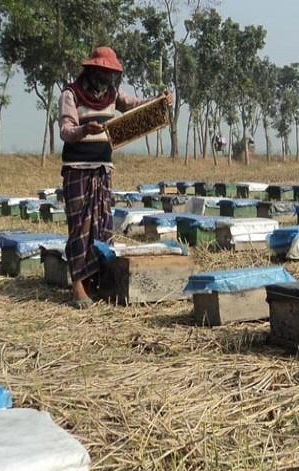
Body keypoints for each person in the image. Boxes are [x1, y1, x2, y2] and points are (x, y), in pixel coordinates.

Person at [59, 46, 172, 308]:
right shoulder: (71, 93)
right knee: (79, 227)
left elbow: (134, 105)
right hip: (77, 168)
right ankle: (77, 286)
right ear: (92, 69)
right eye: (104, 71)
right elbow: (65, 130)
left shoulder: (112, 94)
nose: (108, 77)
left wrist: (160, 100)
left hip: (103, 168)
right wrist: (83, 129)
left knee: (100, 226)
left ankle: (93, 282)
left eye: (111, 73)